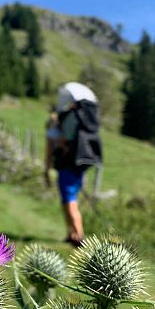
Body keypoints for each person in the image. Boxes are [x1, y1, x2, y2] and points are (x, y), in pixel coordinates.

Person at [45, 82, 101, 247]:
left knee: (69, 200)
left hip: (68, 164)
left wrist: (58, 144)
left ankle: (79, 236)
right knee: (70, 198)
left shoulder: (71, 118)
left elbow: (65, 139)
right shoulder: (85, 118)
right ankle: (72, 233)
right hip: (79, 164)